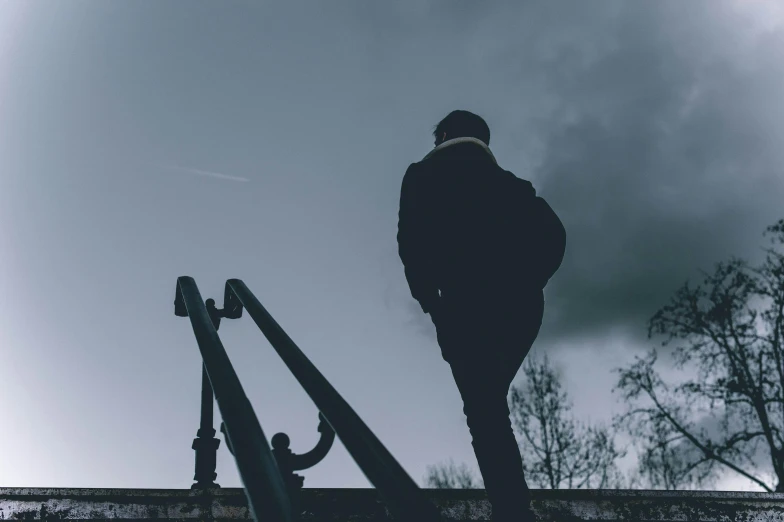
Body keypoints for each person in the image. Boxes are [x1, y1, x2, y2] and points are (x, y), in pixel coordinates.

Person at [397, 110, 564, 521]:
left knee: (484, 406)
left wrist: (430, 301)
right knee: (488, 401)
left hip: (464, 305)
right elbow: (554, 234)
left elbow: (410, 243)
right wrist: (531, 280)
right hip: (521, 306)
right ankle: (512, 505)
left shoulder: (422, 175)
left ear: (445, 136)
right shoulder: (514, 186)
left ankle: (512, 510)